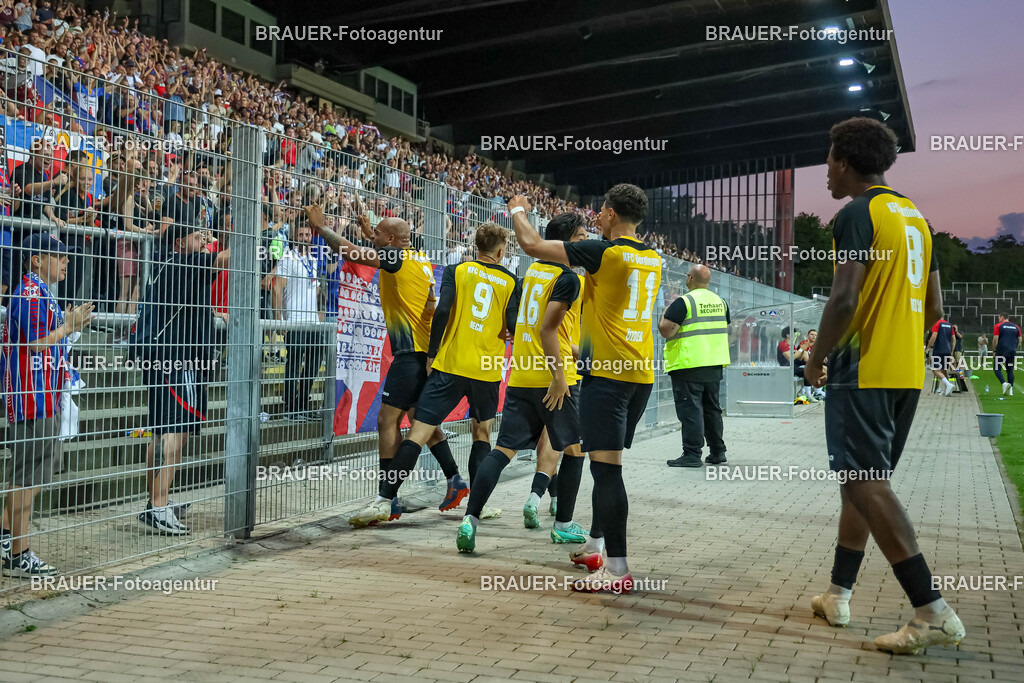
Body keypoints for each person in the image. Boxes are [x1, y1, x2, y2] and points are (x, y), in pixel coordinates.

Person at [804, 117, 964, 654]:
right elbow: (936, 308)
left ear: (845, 161)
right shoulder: (916, 218)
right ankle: (838, 593)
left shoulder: (856, 213)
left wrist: (817, 358)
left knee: (868, 483)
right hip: (906, 373)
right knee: (861, 482)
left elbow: (845, 299)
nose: (826, 171)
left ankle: (930, 609)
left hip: (863, 371)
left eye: (828, 160)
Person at [506, 184, 662, 594]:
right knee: (603, 466)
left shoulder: (603, 252)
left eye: (600, 212)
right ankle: (595, 546)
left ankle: (618, 569)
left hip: (607, 379)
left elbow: (533, 245)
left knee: (607, 473)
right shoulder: (654, 258)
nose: (595, 218)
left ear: (611, 214)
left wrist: (519, 210)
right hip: (640, 375)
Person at [347, 222, 520, 527]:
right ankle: (475, 508)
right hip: (486, 368)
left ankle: (384, 500)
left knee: (418, 430)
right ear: (501, 251)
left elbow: (441, 312)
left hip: (449, 363)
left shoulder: (457, 270)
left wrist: (432, 355)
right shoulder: (510, 279)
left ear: (475, 246)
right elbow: (512, 325)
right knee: (481, 435)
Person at [303, 205, 458, 525]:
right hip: (423, 352)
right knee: (422, 422)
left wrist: (320, 228)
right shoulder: (418, 259)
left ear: (390, 239)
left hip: (409, 355)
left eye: (377, 233)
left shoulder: (395, 257)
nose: (372, 235)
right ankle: (455, 480)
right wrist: (368, 233)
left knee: (388, 421)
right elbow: (383, 255)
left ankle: (388, 497)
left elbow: (356, 255)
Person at [456, 213, 590, 552]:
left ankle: (470, 520)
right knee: (575, 450)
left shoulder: (532, 272)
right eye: (582, 236)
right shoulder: (568, 279)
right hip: (554, 378)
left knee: (503, 450)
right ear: (566, 242)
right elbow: (549, 330)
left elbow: (520, 323)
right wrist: (560, 377)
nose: (586, 242)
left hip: (521, 376)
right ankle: (562, 525)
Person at [1, 233, 94, 576]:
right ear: (37, 259)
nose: (66, 261)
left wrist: (69, 326)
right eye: (60, 256)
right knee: (27, 475)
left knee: (36, 469)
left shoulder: (40, 292)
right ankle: (18, 553)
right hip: (31, 395)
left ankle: (9, 537)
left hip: (43, 394)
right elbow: (38, 343)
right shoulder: (28, 293)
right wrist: (68, 327)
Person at [137, 218, 230, 535]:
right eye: (196, 237)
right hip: (177, 360)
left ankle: (156, 502)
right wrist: (262, 237)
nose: (204, 241)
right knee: (175, 429)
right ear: (179, 243)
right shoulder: (183, 262)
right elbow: (231, 256)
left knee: (163, 429)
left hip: (165, 356)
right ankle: (159, 505)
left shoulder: (168, 264)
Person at [659, 264, 730, 468]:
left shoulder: (684, 302)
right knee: (712, 409)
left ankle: (692, 453)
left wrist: (663, 315)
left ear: (690, 278)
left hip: (689, 364)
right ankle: (718, 451)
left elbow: (666, 330)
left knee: (691, 410)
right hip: (714, 364)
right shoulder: (720, 302)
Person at [272, 217, 323, 422]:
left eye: (307, 234)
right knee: (294, 363)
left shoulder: (312, 258)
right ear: (294, 236)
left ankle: (302, 403)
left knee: (313, 363)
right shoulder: (287, 258)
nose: (304, 237)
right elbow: (277, 288)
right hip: (294, 320)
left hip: (313, 323)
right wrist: (279, 319)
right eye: (301, 234)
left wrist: (320, 313)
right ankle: (290, 408)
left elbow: (316, 288)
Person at [926, 317, 955, 396]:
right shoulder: (950, 325)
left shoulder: (937, 324)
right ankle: (947, 391)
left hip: (939, 349)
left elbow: (934, 336)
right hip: (947, 350)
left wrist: (928, 347)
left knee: (934, 369)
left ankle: (948, 385)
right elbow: (954, 339)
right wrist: (952, 350)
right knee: (943, 370)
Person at [993, 313, 1021, 396]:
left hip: (1001, 350)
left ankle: (1004, 383)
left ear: (1002, 317)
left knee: (997, 368)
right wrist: (1015, 348)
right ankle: (1010, 390)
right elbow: (1020, 340)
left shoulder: (998, 326)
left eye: (999, 317)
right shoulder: (1016, 327)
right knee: (1010, 370)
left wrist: (994, 350)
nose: (998, 319)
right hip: (1012, 351)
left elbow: (995, 338)